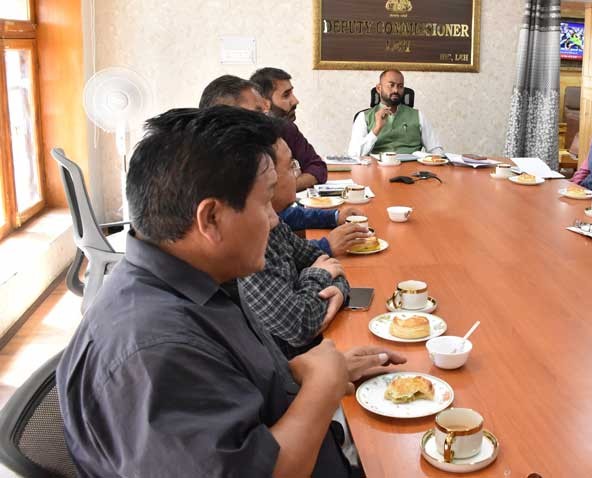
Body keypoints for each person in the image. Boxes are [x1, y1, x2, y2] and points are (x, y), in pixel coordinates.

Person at [56, 106, 405, 477]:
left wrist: (305, 375)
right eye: (265, 201)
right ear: (210, 219)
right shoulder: (154, 350)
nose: (274, 219)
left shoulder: (198, 280)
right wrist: (321, 388)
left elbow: (224, 382)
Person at [200, 74, 369, 256]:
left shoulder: (275, 141)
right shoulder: (225, 190)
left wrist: (333, 217)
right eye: (258, 113)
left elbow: (286, 218)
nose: (266, 119)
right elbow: (276, 277)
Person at [238, 133, 353, 358]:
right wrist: (317, 276)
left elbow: (329, 263)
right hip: (294, 371)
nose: (298, 174)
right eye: (291, 166)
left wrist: (338, 291)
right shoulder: (248, 240)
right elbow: (299, 326)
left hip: (309, 359)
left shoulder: (272, 222)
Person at [251, 67, 328, 190]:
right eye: (286, 95)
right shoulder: (245, 133)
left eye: (292, 93)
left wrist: (287, 189)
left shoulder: (287, 129)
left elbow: (318, 168)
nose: (295, 101)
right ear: (264, 104)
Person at [347, 69, 444, 157]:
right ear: (378, 88)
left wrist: (437, 160)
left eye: (400, 86)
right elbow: (354, 154)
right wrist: (376, 129)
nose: (396, 90)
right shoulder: (363, 117)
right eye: (391, 85)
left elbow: (435, 149)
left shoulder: (418, 115)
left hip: (412, 171)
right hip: (377, 170)